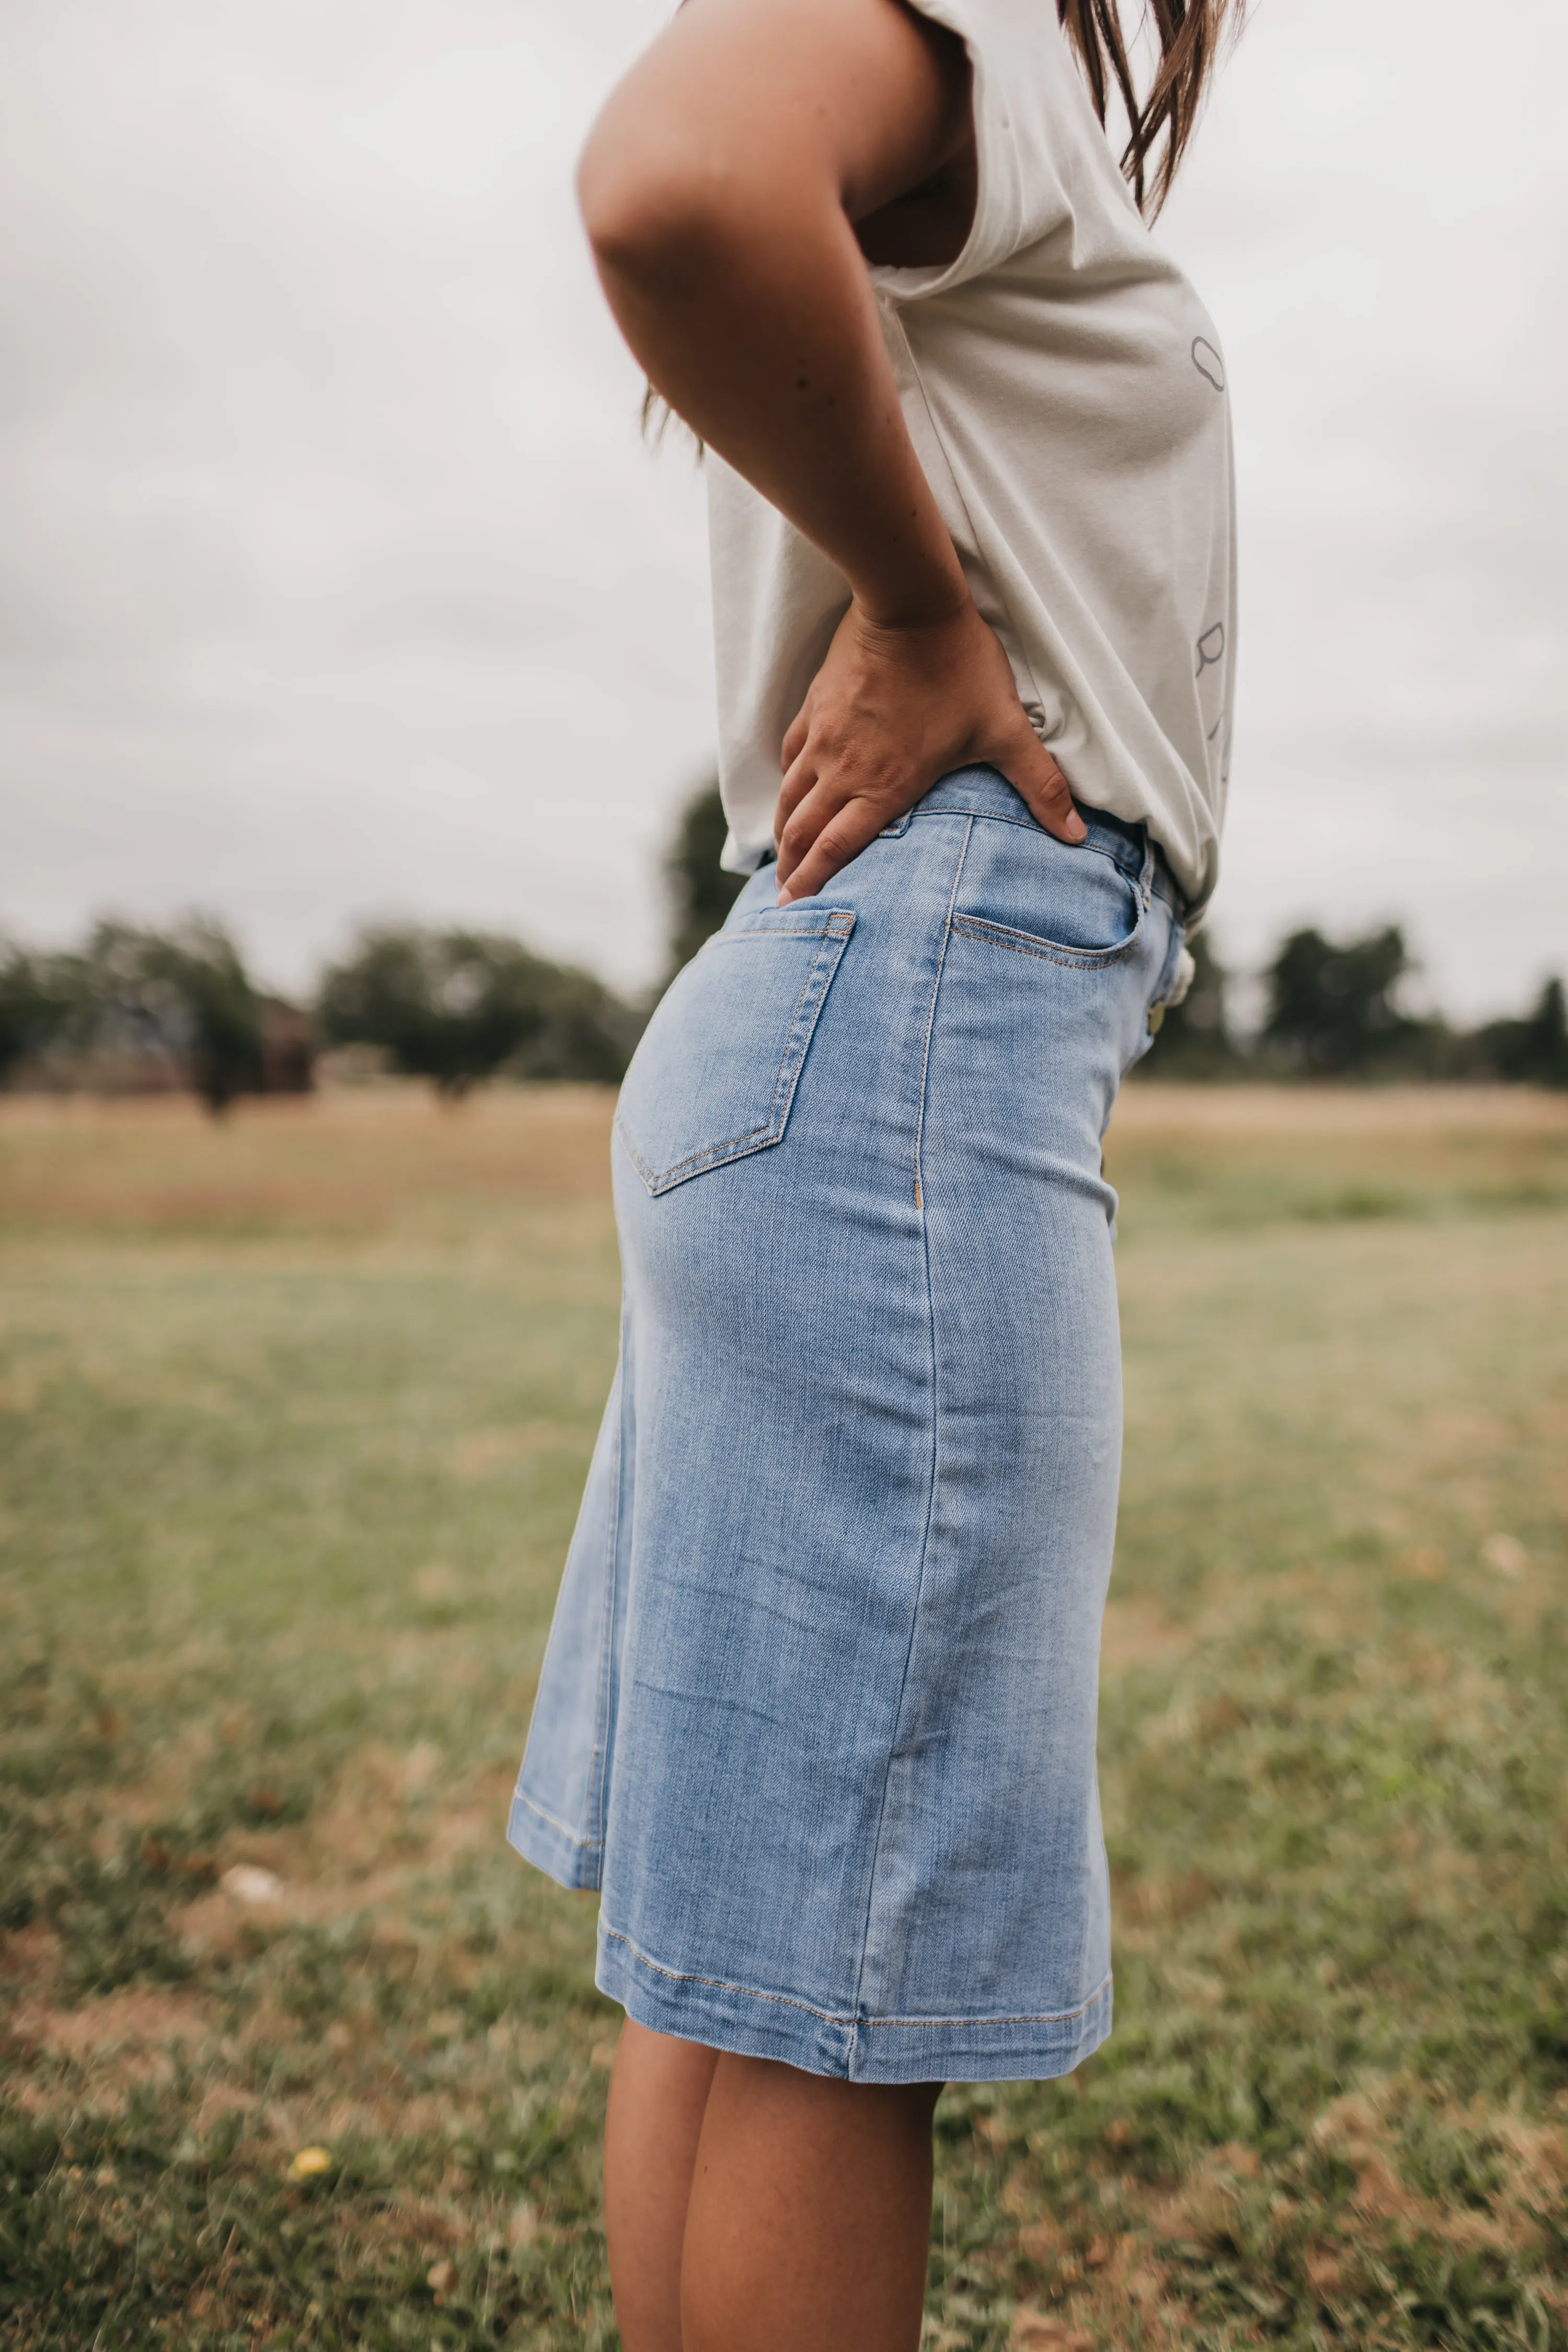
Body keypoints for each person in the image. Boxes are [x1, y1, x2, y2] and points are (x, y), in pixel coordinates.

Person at [509, 0, 1241, 2343]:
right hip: (923, 1023)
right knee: (840, 1981)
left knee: (738, 1939)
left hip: (825, 1013)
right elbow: (676, 176)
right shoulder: (974, 28)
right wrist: (928, 611)